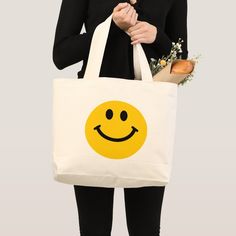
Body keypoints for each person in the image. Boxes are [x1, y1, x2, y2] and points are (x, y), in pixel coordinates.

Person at [52, 0, 188, 235]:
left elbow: (182, 66)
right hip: (93, 118)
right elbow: (61, 55)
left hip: (147, 119)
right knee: (93, 228)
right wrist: (111, 27)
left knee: (145, 229)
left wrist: (158, 37)